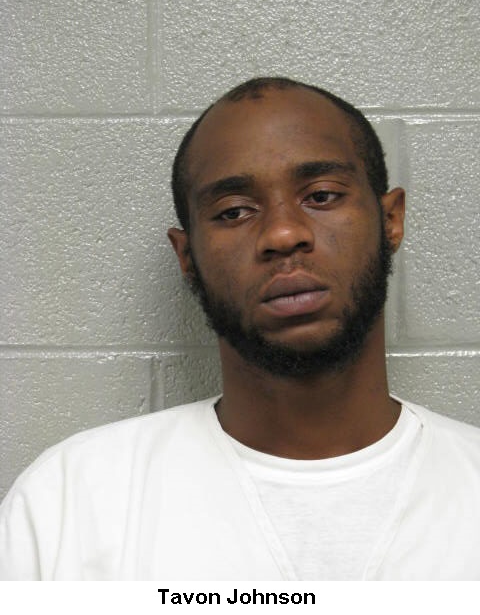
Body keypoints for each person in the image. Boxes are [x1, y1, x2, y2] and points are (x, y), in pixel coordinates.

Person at [1, 77, 479, 580]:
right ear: (187, 256)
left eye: (321, 195)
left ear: (390, 221)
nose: (283, 234)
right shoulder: (70, 505)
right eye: (234, 211)